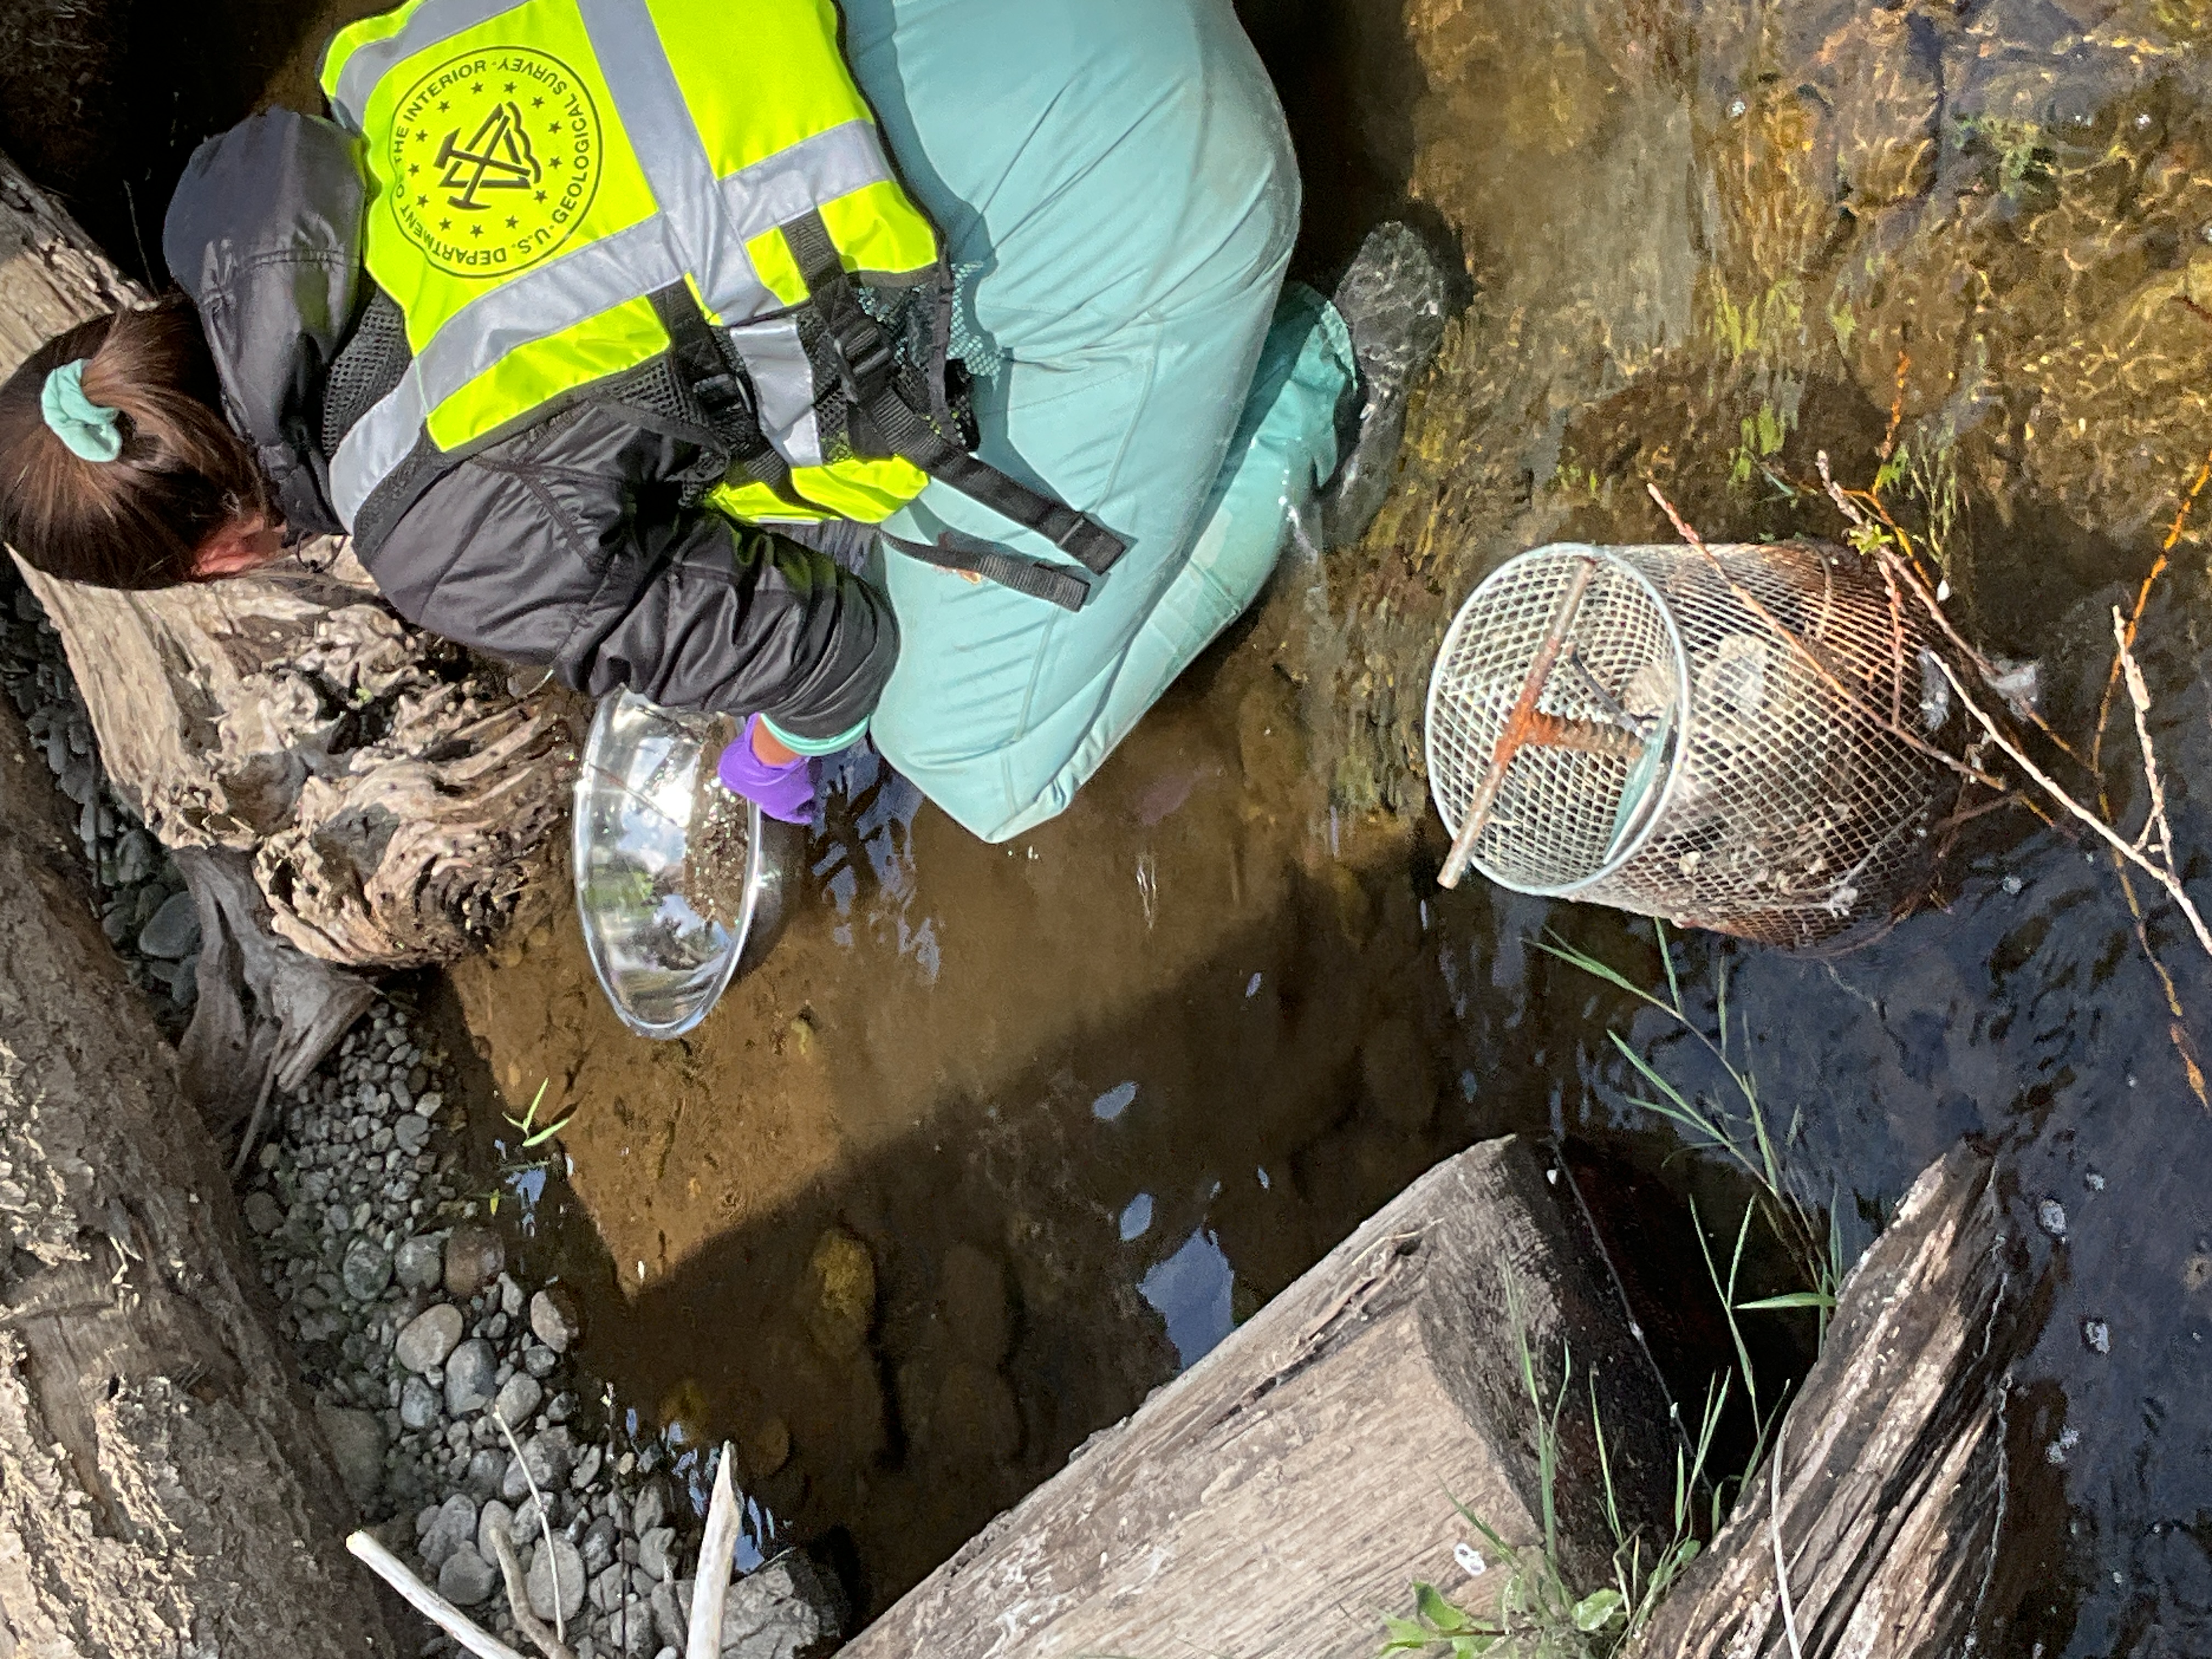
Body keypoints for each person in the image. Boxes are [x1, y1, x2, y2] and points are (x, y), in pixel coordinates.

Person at [0, 0, 1444, 843]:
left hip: (1163, 154)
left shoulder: (435, 523)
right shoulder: (373, 70)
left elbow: (844, 654)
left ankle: (1321, 369)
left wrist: (784, 752)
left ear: (218, 558)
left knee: (984, 761)